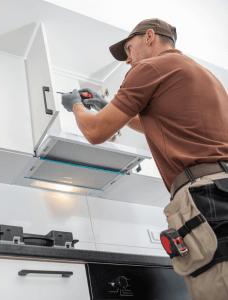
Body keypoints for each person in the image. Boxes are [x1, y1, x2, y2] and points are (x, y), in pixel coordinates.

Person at [61, 18, 228, 300]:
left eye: (129, 48)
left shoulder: (149, 67)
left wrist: (76, 105)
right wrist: (110, 108)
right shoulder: (206, 75)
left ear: (149, 37)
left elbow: (95, 131)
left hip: (205, 196)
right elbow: (158, 121)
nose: (128, 60)